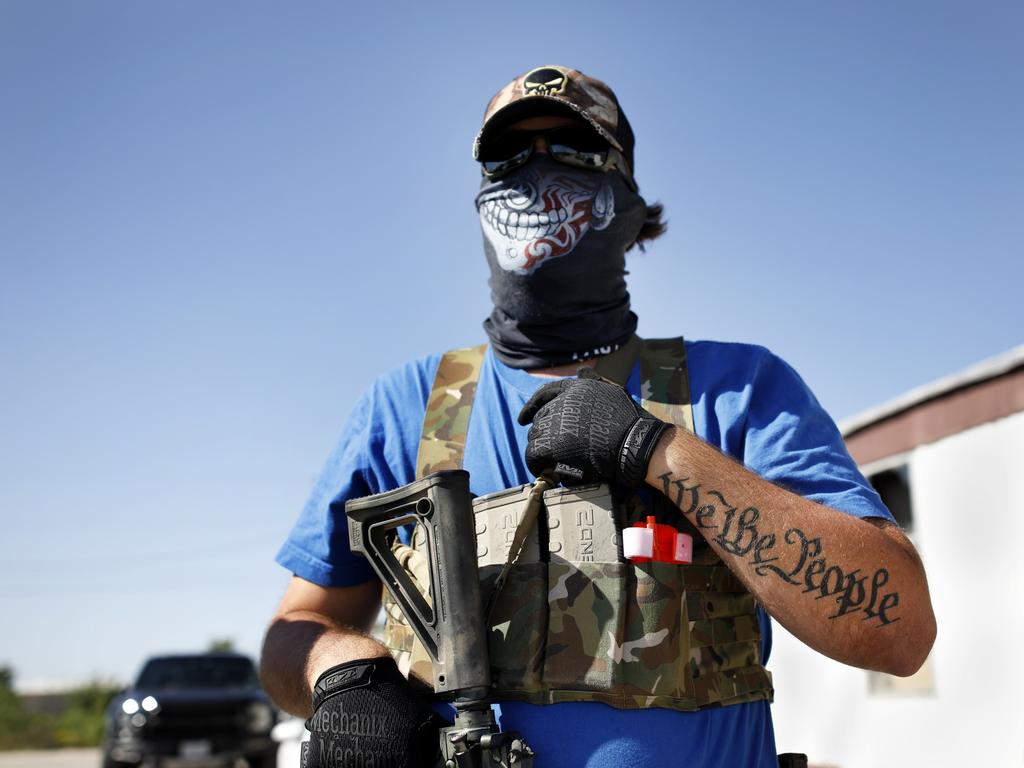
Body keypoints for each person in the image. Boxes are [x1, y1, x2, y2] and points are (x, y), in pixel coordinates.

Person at [260, 65, 937, 768]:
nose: (534, 174)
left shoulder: (735, 390)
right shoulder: (406, 407)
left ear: (628, 205)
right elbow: (293, 632)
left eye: (571, 153)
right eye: (509, 158)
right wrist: (342, 675)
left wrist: (659, 451)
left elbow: (899, 631)